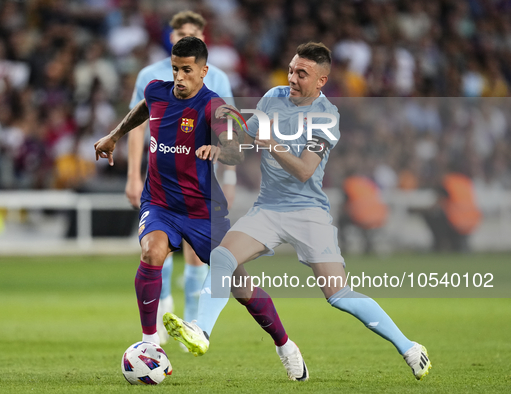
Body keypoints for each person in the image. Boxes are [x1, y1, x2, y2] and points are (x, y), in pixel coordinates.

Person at [163, 42, 432, 382]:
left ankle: (409, 347)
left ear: (321, 80)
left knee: (338, 295)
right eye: (291, 69)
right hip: (268, 209)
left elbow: (305, 170)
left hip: (309, 213)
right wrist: (221, 144)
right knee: (222, 257)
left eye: (301, 74)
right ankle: (201, 330)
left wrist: (272, 142)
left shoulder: (327, 115)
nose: (292, 78)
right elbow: (246, 139)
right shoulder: (272, 97)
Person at [94, 36, 243, 347]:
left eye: (186, 69)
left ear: (204, 70)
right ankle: (151, 341)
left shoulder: (215, 103)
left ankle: (284, 344)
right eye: (175, 68)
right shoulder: (156, 89)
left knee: (238, 281)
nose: (178, 76)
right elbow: (145, 106)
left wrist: (219, 150)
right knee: (152, 252)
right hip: (161, 202)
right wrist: (115, 134)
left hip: (201, 205)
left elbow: (235, 147)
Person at [126, 10, 237, 345]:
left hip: (200, 180)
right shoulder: (152, 76)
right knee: (157, 247)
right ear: (170, 37)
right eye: (178, 33)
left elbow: (229, 133)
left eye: (191, 32)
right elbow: (136, 125)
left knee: (197, 254)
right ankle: (162, 311)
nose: (183, 37)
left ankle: (191, 320)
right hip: (162, 177)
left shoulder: (216, 77)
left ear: (203, 36)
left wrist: (228, 178)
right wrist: (133, 175)